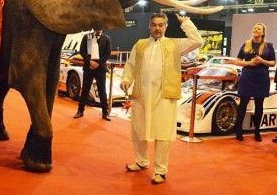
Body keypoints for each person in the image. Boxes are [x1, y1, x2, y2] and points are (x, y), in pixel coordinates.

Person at [120, 13, 203, 185]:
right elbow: (131, 65)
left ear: (166, 27)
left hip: (164, 96)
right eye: (154, 25)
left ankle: (160, 170)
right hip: (141, 95)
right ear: (149, 27)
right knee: (139, 130)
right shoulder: (140, 45)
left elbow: (197, 40)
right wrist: (126, 79)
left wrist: (186, 22)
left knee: (163, 134)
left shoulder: (175, 44)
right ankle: (142, 161)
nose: (157, 28)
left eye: (161, 25)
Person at [233, 23, 276, 142]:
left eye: (259, 29)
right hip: (247, 76)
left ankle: (257, 131)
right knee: (243, 104)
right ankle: (238, 130)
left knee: (259, 105)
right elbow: (237, 61)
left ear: (263, 32)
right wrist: (249, 63)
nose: (256, 30)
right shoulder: (246, 44)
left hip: (261, 77)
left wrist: (262, 60)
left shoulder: (268, 46)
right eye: (255, 28)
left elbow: (273, 63)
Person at [73, 29, 112, 121]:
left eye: (100, 27)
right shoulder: (87, 37)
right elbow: (82, 51)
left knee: (102, 91)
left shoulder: (107, 39)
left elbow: (107, 54)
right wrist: (90, 62)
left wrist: (98, 63)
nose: (98, 28)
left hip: (100, 69)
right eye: (96, 26)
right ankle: (80, 111)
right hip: (88, 67)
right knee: (85, 90)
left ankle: (105, 113)